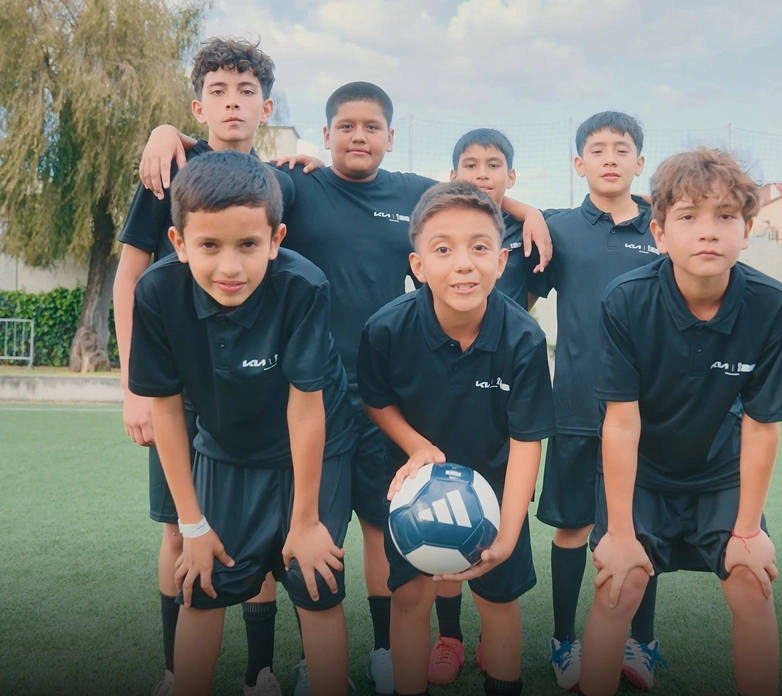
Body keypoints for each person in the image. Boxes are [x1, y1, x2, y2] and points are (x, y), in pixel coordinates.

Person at [135, 81, 552, 696]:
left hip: (335, 410)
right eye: (345, 126)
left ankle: (380, 654)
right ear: (323, 137)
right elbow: (230, 180)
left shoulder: (396, 212)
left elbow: (468, 201)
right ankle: (246, 668)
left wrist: (527, 210)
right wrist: (170, 134)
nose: (230, 263)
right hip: (261, 431)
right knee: (217, 581)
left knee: (370, 538)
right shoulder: (292, 189)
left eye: (372, 126)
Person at [128, 150, 356, 696]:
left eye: (248, 245)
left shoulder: (305, 287)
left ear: (276, 240)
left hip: (313, 453)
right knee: (202, 587)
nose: (230, 267)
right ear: (179, 243)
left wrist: (305, 522)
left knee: (315, 583)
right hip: (226, 451)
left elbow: (306, 406)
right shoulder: (157, 293)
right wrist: (192, 526)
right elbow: (166, 408)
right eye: (209, 245)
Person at [112, 37, 296, 696]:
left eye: (246, 91)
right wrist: (136, 386)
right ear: (198, 104)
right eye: (218, 91)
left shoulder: (284, 183)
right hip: (177, 386)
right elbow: (128, 280)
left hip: (253, 386)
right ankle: (176, 669)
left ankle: (259, 671)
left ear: (265, 106)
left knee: (260, 532)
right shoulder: (168, 169)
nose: (232, 103)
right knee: (178, 526)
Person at [578, 147, 782, 696]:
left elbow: (761, 423)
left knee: (752, 583)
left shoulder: (771, 307)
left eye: (725, 216)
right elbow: (621, 424)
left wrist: (747, 531)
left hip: (718, 475)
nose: (708, 232)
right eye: (689, 217)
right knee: (618, 585)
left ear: (747, 231)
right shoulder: (626, 301)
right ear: (659, 233)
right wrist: (622, 534)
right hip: (643, 475)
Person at [357, 180, 556, 696]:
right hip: (415, 490)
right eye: (443, 249)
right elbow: (375, 400)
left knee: (498, 602)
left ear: (501, 261)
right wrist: (417, 446)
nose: (463, 263)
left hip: (493, 492)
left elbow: (527, 439)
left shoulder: (524, 338)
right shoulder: (386, 329)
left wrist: (508, 533)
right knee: (410, 599)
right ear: (418, 265)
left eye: (479, 247)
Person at [531, 111, 664, 691]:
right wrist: (524, 211)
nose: (610, 158)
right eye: (597, 149)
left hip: (646, 414)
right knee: (571, 529)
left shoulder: (665, 229)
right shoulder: (558, 229)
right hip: (578, 408)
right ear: (578, 164)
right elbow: (518, 294)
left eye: (623, 148)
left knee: (637, 529)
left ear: (640, 162)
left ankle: (642, 642)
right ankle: (564, 642)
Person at [423, 127, 542, 685]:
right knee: (443, 541)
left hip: (502, 385)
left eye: (493, 165)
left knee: (495, 558)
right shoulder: (434, 215)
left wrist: (527, 211)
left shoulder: (531, 237)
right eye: (469, 165)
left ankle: (499, 655)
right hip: (444, 391)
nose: (481, 173)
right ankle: (449, 637)